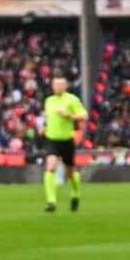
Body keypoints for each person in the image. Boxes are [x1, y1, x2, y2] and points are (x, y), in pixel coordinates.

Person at [39, 74, 87, 214]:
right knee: (50, 166)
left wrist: (69, 116)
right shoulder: (49, 101)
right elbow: (49, 119)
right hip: (51, 140)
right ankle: (51, 202)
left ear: (65, 86)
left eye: (60, 84)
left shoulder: (72, 100)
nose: (58, 87)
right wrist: (45, 127)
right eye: (55, 84)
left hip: (66, 140)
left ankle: (75, 194)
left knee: (70, 172)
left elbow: (84, 116)